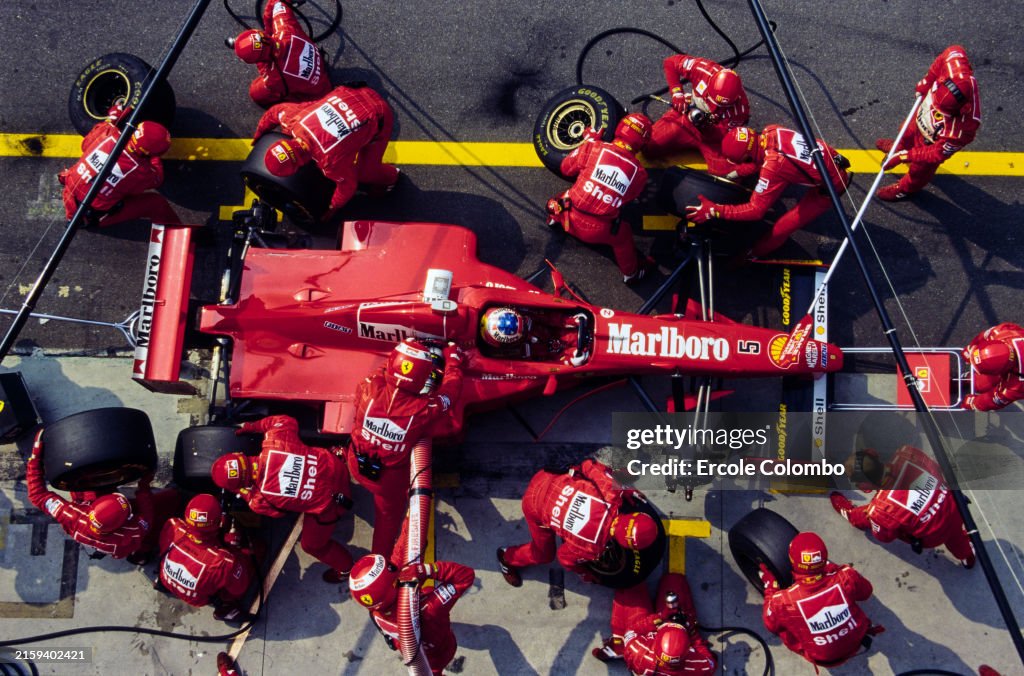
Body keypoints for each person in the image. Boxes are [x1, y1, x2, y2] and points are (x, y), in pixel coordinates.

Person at [347, 339, 464, 556]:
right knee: (387, 524)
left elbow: (384, 370)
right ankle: (379, 560)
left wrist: (406, 350)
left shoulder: (367, 385)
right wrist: (453, 360)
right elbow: (450, 394)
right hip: (388, 483)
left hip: (354, 463)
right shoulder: (423, 410)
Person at [211, 414, 355, 582]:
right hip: (336, 467)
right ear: (239, 454)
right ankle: (339, 454)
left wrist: (240, 489)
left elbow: (279, 514)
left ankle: (346, 569)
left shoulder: (260, 500)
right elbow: (286, 420)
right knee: (310, 450)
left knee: (311, 546)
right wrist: (252, 426)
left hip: (332, 505)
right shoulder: (275, 440)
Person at [686, 125, 852, 262]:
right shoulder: (770, 130)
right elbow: (757, 161)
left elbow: (756, 211)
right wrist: (735, 174)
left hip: (831, 187)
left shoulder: (773, 167)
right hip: (831, 158)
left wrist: (716, 210)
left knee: (780, 229)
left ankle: (752, 256)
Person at [496, 458, 660, 586]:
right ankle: (506, 557)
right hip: (534, 505)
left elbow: (588, 465)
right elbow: (564, 558)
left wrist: (626, 488)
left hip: (548, 476)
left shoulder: (608, 490)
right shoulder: (590, 548)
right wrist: (586, 574)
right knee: (543, 555)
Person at [25, 428, 173, 563]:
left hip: (83, 527)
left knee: (78, 478)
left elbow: (37, 495)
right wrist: (144, 486)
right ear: (125, 521)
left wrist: (35, 458)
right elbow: (147, 515)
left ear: (92, 509)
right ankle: (141, 554)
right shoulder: (130, 535)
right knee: (168, 502)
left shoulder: (70, 515)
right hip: (120, 546)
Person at [253, 83, 400, 218]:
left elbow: (348, 186)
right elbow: (273, 113)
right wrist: (258, 135)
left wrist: (333, 207)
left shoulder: (330, 164)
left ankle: (392, 178)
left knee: (366, 173)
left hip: (378, 113)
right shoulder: (293, 120)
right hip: (353, 90)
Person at [547, 113, 655, 284]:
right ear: (642, 143)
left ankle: (553, 220)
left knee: (564, 196)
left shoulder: (593, 147)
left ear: (619, 128)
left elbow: (565, 169)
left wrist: (587, 142)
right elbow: (627, 199)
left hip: (567, 219)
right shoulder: (640, 174)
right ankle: (631, 273)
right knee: (624, 234)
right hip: (598, 233)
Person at [830, 445, 976, 568]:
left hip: (933, 536)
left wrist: (876, 516)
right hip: (956, 508)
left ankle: (850, 514)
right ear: (872, 453)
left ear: (864, 487)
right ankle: (968, 557)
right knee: (957, 537)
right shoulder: (908, 452)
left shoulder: (879, 510)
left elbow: (885, 537)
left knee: (875, 519)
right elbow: (937, 469)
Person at [876, 45, 981, 202]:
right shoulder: (954, 64)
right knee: (905, 132)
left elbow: (936, 153)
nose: (936, 110)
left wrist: (904, 157)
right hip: (921, 118)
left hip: (930, 142)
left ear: (961, 109)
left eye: (941, 111)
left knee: (920, 170)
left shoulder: (964, 129)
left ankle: (906, 188)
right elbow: (947, 54)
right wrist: (927, 82)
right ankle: (898, 146)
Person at [760, 532, 880, 668]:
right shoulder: (846, 575)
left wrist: (770, 587)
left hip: (824, 659)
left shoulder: (782, 601)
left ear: (792, 561)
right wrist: (835, 569)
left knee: (780, 626)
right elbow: (866, 593)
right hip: (857, 640)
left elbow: (770, 625)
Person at [349, 554, 475, 676]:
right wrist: (427, 570)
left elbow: (398, 553)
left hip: (414, 654)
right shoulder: (431, 607)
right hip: (440, 654)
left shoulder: (375, 612)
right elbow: (466, 575)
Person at [58, 102, 180, 228]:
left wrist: (114, 116)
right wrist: (155, 158)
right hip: (91, 214)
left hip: (71, 190)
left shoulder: (108, 132)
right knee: (156, 203)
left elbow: (85, 145)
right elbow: (157, 180)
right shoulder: (141, 171)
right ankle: (177, 231)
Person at [644, 53, 754, 178]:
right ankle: (671, 121)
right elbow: (670, 62)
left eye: (721, 106)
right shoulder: (703, 69)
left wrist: (706, 127)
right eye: (712, 101)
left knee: (729, 174)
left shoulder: (741, 110)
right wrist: (677, 93)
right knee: (649, 148)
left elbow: (724, 137)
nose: (714, 108)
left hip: (710, 137)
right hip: (686, 115)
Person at [592, 573, 717, 675]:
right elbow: (710, 661)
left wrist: (661, 617)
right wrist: (691, 631)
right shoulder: (701, 667)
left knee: (631, 583)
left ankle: (619, 646)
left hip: (643, 653)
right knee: (674, 579)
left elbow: (632, 630)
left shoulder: (638, 653)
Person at [157, 493, 255, 622]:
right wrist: (234, 549)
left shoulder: (173, 525)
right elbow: (239, 587)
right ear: (219, 522)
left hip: (165, 580)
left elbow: (162, 547)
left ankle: (160, 584)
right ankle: (225, 609)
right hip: (198, 598)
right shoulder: (224, 562)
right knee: (256, 552)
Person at [231, 0, 331, 107]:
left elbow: (261, 88)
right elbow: (277, 2)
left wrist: (261, 61)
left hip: (320, 94)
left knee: (255, 93)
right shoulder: (284, 27)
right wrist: (268, 32)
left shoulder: (274, 79)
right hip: (318, 64)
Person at [478, 306, 588, 365]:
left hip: (559, 333)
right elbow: (543, 366)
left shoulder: (525, 315)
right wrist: (567, 361)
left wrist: (571, 320)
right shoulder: (512, 356)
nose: (528, 335)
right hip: (560, 355)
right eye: (522, 335)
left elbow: (548, 317)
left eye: (524, 328)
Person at [961, 322, 1024, 411]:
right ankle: (969, 380)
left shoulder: (1016, 387)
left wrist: (975, 403)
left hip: (1016, 376)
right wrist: (971, 349)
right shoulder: (1001, 331)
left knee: (981, 383)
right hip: (1012, 371)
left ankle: (969, 381)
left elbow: (994, 400)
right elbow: (984, 336)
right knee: (981, 382)